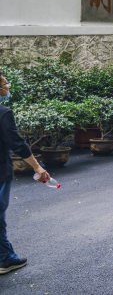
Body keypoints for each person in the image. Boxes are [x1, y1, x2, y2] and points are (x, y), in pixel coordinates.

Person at [0, 73, 50, 274]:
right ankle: (5, 259)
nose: (8, 88)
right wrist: (37, 167)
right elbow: (17, 143)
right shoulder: (3, 113)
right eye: (5, 84)